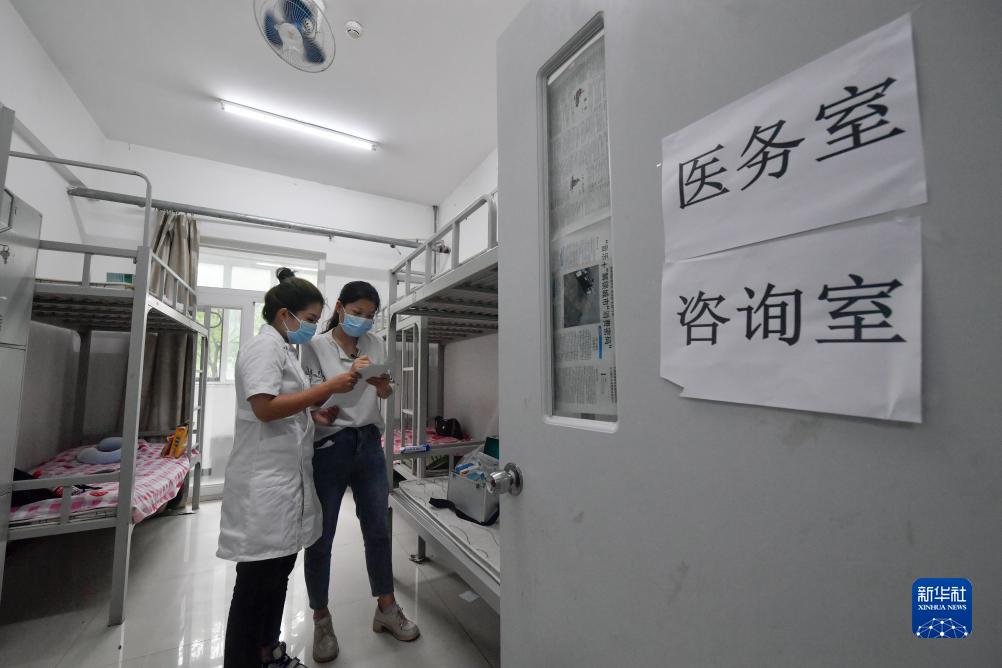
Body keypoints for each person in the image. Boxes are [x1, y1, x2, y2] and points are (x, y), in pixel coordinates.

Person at [218, 268, 361, 668]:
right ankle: (245, 661)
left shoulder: (283, 350)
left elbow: (283, 406)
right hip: (264, 485)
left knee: (276, 575)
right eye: (310, 319)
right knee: (255, 585)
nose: (312, 328)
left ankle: (269, 652)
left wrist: (313, 414)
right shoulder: (263, 349)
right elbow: (264, 408)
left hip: (283, 482)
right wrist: (328, 387)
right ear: (285, 315)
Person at [301, 281, 420, 664]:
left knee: (378, 529)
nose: (363, 321)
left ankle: (386, 607)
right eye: (356, 313)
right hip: (330, 445)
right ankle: (321, 619)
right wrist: (344, 378)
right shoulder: (315, 346)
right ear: (339, 308)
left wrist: (383, 387)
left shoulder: (376, 343)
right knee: (321, 537)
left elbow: (384, 393)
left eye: (370, 316)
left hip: (369, 443)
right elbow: (308, 398)